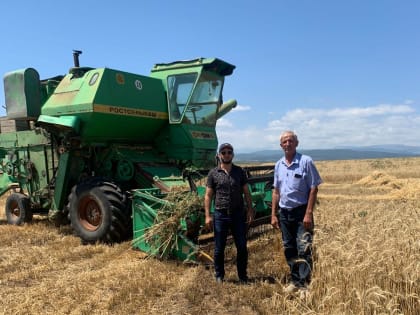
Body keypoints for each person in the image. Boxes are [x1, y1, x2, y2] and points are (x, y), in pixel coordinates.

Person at [271, 131, 322, 294]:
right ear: (281, 146)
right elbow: (276, 192)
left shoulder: (306, 162)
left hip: (301, 212)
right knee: (289, 248)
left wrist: (308, 213)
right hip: (284, 213)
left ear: (296, 143)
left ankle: (304, 285)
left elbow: (314, 189)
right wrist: (273, 214)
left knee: (304, 248)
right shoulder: (278, 165)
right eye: (284, 142)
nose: (287, 144)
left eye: (290, 141)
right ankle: (295, 281)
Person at [205, 143, 254, 284]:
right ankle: (219, 275)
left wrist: (250, 209)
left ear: (233, 154)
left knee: (242, 246)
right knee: (219, 247)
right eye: (224, 152)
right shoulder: (213, 173)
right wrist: (208, 215)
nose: (226, 154)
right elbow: (208, 195)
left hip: (238, 214)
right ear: (219, 155)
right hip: (220, 215)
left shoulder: (239, 172)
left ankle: (243, 276)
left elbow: (246, 192)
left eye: (229, 152)